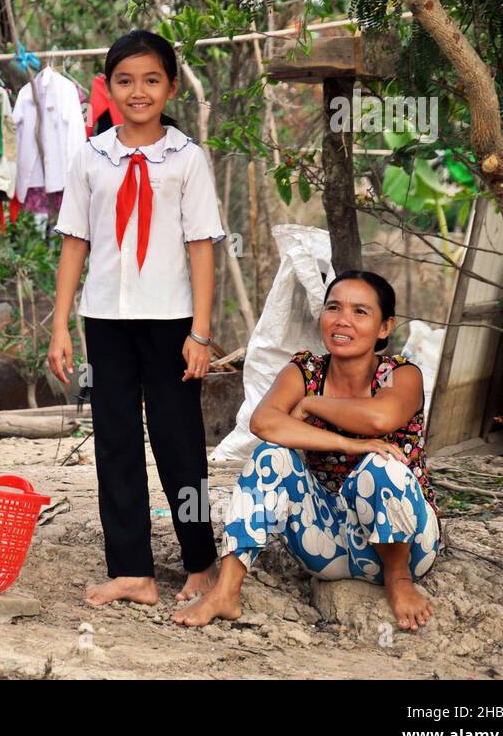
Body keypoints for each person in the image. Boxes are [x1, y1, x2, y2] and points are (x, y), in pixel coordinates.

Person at [48, 30, 226, 608]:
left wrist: (200, 332)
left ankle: (200, 562)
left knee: (180, 442)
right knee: (115, 442)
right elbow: (75, 242)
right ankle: (133, 571)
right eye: (125, 80)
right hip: (106, 321)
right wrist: (60, 325)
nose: (138, 91)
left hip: (171, 322)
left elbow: (202, 245)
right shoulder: (91, 156)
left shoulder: (187, 159)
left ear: (171, 87)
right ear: (108, 88)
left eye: (151, 80)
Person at [173, 270, 440, 631]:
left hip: (409, 547)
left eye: (360, 311)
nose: (343, 320)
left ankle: (399, 581)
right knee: (270, 455)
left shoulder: (400, 374)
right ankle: (225, 591)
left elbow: (380, 418)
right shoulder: (305, 369)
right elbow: (264, 423)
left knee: (383, 464)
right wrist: (349, 443)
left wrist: (312, 405)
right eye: (334, 307)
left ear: (384, 327)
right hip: (328, 544)